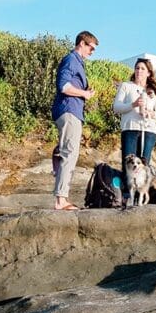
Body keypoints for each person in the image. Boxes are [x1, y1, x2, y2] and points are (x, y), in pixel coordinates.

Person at [51, 31, 98, 210]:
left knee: (65, 151)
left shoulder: (77, 62)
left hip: (70, 110)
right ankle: (61, 200)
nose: (92, 52)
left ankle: (60, 194)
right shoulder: (72, 59)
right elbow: (63, 86)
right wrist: (85, 93)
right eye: (91, 48)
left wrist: (85, 91)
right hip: (69, 111)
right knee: (70, 153)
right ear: (82, 43)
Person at [113, 59, 156, 202]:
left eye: (142, 69)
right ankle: (126, 196)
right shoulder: (126, 86)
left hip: (149, 131)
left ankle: (140, 197)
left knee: (144, 164)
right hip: (130, 128)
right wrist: (133, 104)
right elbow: (116, 107)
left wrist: (152, 113)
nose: (139, 71)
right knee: (129, 162)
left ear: (148, 73)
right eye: (137, 68)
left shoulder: (155, 90)